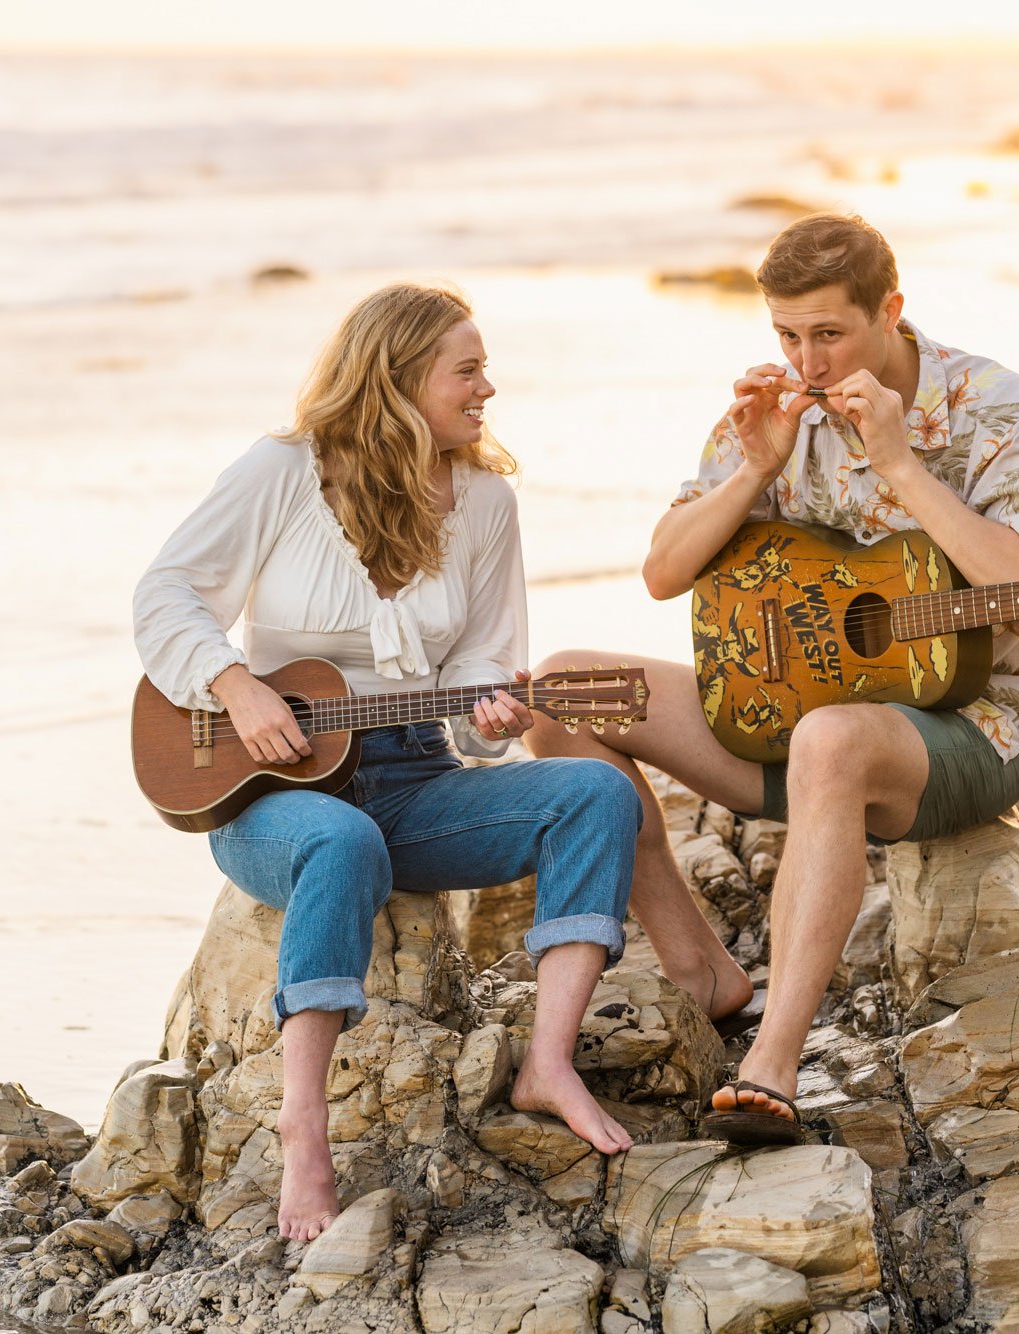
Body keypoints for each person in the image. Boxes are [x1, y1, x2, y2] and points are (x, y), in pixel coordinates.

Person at [526, 214, 1019, 1145]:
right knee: (563, 694)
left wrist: (902, 466)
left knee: (832, 737)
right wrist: (753, 468)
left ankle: (773, 1062)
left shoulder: (997, 407)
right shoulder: (781, 405)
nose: (807, 358)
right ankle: (703, 969)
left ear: (892, 312)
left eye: (829, 333)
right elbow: (665, 573)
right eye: (787, 334)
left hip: (983, 731)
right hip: (796, 720)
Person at [133, 282, 643, 1239]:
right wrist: (237, 685)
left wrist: (493, 715)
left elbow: (485, 660)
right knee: (340, 840)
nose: (489, 387)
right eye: (468, 368)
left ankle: (550, 1062)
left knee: (595, 793)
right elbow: (166, 595)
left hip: (417, 776)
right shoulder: (281, 471)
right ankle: (304, 1130)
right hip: (270, 793)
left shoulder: (486, 501)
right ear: (401, 376)